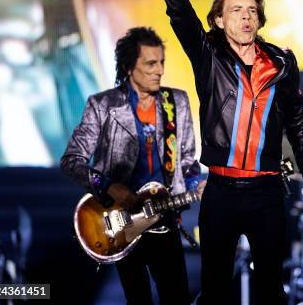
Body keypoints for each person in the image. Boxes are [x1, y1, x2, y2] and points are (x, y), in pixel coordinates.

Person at [143, 0, 303, 304]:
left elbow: (297, 120)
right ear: (219, 20)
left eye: (252, 12)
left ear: (260, 20)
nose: (245, 18)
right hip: (222, 190)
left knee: (269, 293)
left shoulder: (280, 62)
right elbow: (178, 10)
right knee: (215, 292)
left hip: (267, 190)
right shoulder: (208, 55)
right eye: (236, 11)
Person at [61, 27, 201, 305]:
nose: (159, 70)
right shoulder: (103, 105)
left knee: (177, 298)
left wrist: (198, 186)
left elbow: (187, 162)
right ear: (128, 67)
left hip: (164, 217)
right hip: (120, 222)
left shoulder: (177, 102)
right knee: (137, 299)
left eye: (161, 62)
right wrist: (109, 187)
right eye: (150, 63)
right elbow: (71, 160)